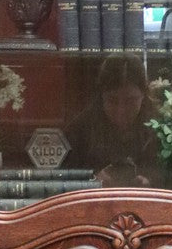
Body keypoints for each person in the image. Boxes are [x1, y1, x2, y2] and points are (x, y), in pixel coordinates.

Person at [66, 55, 160, 187]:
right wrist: (92, 182)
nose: (121, 110)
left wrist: (152, 182)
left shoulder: (161, 130)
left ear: (144, 95)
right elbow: (63, 178)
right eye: (112, 100)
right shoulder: (79, 131)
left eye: (130, 101)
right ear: (101, 96)